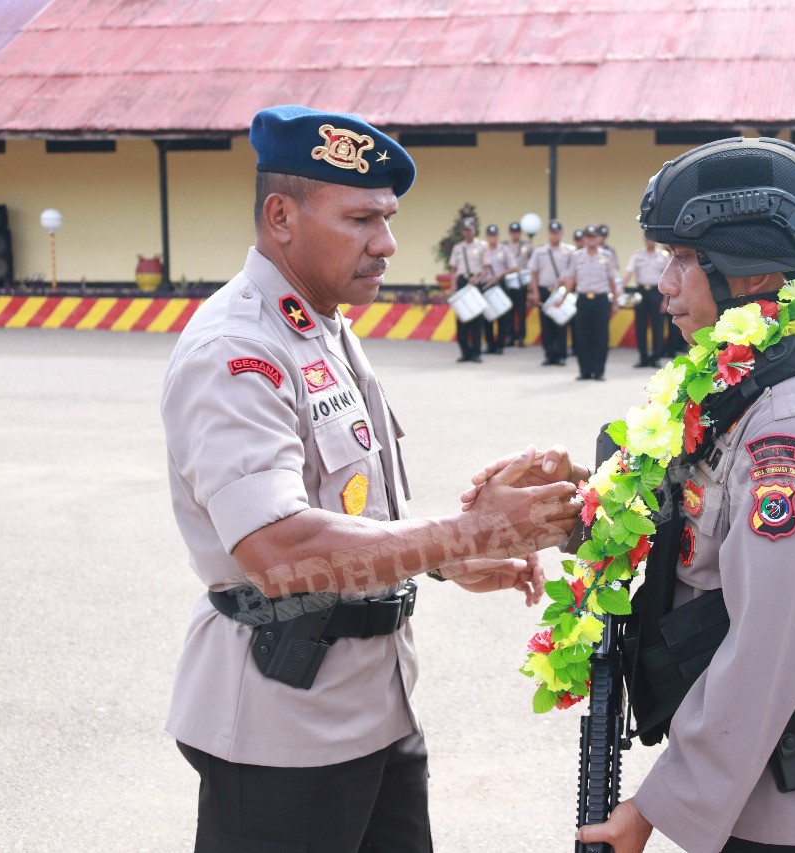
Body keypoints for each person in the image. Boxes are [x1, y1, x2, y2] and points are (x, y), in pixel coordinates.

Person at [160, 105, 579, 853]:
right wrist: (465, 530)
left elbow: (349, 503)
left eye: (386, 218)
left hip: (375, 705)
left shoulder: (321, 325)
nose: (386, 243)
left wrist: (447, 559)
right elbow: (278, 551)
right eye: (360, 219)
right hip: (283, 729)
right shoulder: (239, 349)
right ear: (280, 216)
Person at [575, 137, 795, 852]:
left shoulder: (792, 420)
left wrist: (660, 802)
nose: (663, 282)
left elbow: (772, 638)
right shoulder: (747, 378)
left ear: (748, 270)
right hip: (771, 769)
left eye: (683, 259)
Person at [568, 224, 619, 381]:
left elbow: (612, 280)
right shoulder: (576, 256)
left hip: (601, 299)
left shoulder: (606, 256)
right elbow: (571, 278)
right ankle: (584, 371)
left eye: (593, 237)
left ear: (598, 238)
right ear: (583, 239)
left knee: (601, 336)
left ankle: (599, 371)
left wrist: (615, 301)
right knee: (582, 337)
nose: (590, 240)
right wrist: (563, 297)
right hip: (582, 299)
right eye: (587, 237)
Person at [527, 218, 574, 366]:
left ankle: (561, 355)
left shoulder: (569, 251)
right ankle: (549, 354)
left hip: (560, 292)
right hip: (544, 291)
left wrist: (566, 286)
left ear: (561, 233)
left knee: (561, 323)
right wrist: (535, 292)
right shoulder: (540, 251)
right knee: (546, 325)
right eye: (551, 233)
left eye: (556, 233)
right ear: (548, 234)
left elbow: (573, 272)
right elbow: (533, 273)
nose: (554, 236)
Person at [623, 236, 670, 367]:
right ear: (644, 240)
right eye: (647, 239)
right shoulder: (637, 255)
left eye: (652, 239)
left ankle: (656, 357)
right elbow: (629, 273)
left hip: (657, 292)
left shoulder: (663, 255)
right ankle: (643, 357)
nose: (650, 242)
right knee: (640, 326)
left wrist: (665, 301)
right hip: (641, 292)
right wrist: (619, 290)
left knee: (657, 326)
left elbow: (667, 278)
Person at [449, 216, 487, 363]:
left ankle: (477, 353)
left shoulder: (481, 246)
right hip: (462, 281)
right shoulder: (458, 248)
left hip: (476, 282)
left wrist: (479, 278)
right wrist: (453, 285)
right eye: (464, 230)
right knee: (461, 318)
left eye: (469, 230)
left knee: (477, 319)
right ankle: (465, 352)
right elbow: (453, 269)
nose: (467, 233)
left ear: (474, 230)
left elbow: (486, 268)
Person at [480, 224, 512, 355]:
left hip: (499, 284)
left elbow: (513, 267)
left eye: (494, 235)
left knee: (501, 316)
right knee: (487, 316)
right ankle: (489, 344)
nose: (492, 238)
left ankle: (500, 345)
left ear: (498, 236)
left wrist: (501, 273)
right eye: (490, 235)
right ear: (487, 237)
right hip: (486, 284)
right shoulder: (482, 250)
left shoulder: (504, 250)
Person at [504, 221, 533, 346]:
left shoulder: (527, 246)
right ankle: (510, 336)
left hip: (521, 281)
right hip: (509, 281)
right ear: (510, 233)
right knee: (509, 310)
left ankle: (521, 336)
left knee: (521, 310)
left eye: (517, 232)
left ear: (520, 233)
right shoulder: (505, 247)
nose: (515, 235)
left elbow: (532, 263)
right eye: (513, 232)